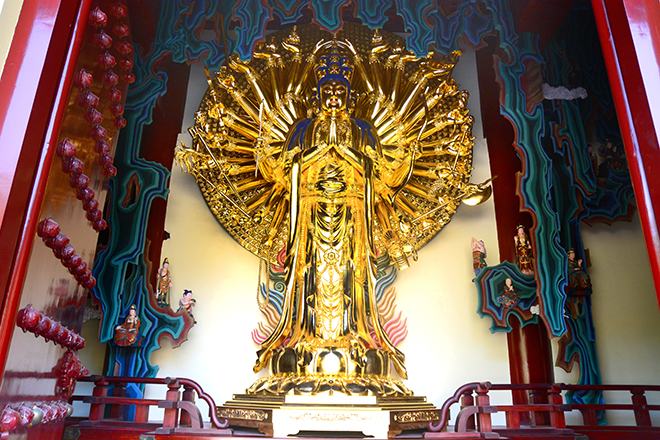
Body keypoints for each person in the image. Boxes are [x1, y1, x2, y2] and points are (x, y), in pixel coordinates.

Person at [252, 43, 414, 380]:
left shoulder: (362, 130)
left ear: (350, 97)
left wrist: (345, 152)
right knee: (307, 275)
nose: (334, 97)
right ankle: (303, 338)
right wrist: (317, 152)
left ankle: (355, 338)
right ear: (317, 96)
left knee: (353, 277)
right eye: (328, 90)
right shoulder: (302, 129)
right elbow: (285, 171)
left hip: (352, 216)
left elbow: (377, 174)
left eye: (341, 91)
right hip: (310, 215)